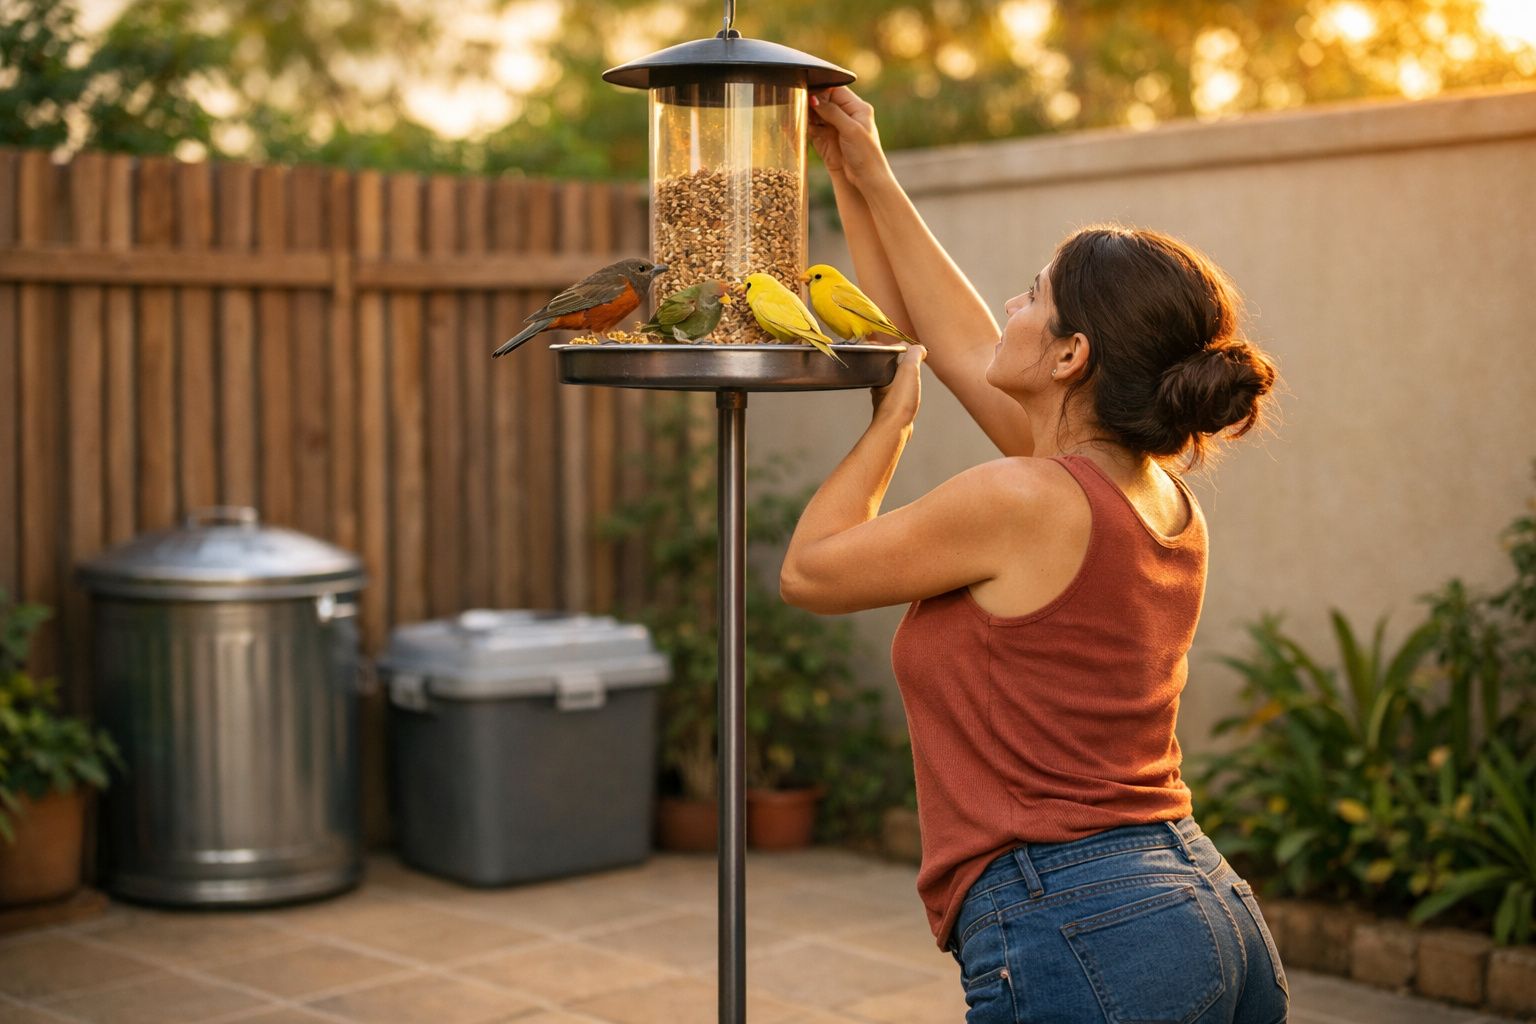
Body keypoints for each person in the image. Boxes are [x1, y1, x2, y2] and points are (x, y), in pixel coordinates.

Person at [779, 85, 1288, 1024]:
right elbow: (957, 340)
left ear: (1069, 357)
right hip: (1203, 910)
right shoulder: (1151, 498)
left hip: (1084, 922)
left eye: (1032, 296)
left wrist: (890, 425)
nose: (1007, 307)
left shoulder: (1020, 498)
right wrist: (862, 170)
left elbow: (809, 572)